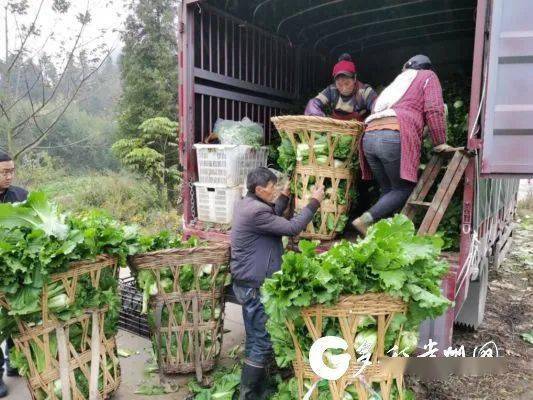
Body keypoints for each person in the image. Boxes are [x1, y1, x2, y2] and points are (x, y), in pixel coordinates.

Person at [230, 167, 324, 399]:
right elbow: (291, 228)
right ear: (259, 189)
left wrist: (283, 196)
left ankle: (259, 390)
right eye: (272, 188)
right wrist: (314, 202)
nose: (275, 190)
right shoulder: (256, 212)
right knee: (261, 341)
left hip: (247, 282)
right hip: (254, 285)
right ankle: (248, 395)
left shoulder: (247, 204)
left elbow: (271, 217)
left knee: (255, 337)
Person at [351, 55, 453, 235]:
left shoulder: (396, 83)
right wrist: (440, 142)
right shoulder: (428, 76)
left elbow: (376, 108)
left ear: (407, 67)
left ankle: (381, 234)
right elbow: (434, 108)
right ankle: (364, 220)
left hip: (369, 136)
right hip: (393, 135)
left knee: (389, 190)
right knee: (403, 189)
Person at [0, 150, 27, 398]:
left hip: (16, 270)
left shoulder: (20, 195)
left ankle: (14, 362)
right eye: (4, 172)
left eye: (11, 171)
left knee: (14, 317)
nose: (9, 176)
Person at [305, 53, 378, 121]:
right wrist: (317, 116)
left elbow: (377, 105)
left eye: (347, 83)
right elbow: (314, 102)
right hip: (336, 131)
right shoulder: (332, 90)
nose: (344, 88)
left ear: (355, 78)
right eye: (339, 84)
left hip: (359, 131)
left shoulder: (364, 91)